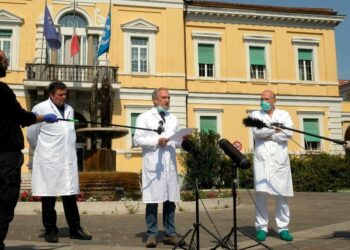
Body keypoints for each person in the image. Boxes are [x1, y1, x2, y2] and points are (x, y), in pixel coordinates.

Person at [0, 49, 58, 250]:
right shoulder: (3, 91)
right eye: (5, 60)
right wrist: (43, 118)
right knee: (5, 203)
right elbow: (22, 117)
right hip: (5, 157)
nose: (8, 63)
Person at [27, 81, 92, 243]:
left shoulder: (69, 110)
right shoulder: (40, 109)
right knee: (49, 197)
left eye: (65, 94)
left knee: (70, 196)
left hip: (67, 160)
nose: (64, 97)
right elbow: (31, 135)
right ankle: (50, 230)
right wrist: (43, 150)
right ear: (51, 94)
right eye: (60, 95)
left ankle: (75, 229)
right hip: (49, 160)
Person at [133, 88, 186, 248]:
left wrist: (181, 139)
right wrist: (157, 141)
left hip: (169, 165)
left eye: (168, 97)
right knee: (153, 201)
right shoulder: (144, 118)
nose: (167, 100)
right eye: (164, 97)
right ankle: (151, 234)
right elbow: (137, 140)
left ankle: (170, 233)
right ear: (155, 100)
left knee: (170, 201)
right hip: (154, 165)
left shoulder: (173, 118)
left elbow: (176, 142)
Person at [250, 90, 294, 242]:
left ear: (275, 100)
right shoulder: (255, 115)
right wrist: (276, 129)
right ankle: (261, 228)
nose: (264, 101)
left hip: (279, 160)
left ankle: (283, 228)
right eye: (261, 99)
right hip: (262, 160)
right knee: (261, 195)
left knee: (281, 196)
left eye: (267, 99)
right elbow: (257, 133)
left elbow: (288, 134)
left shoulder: (284, 114)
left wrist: (269, 133)